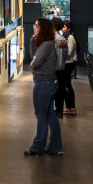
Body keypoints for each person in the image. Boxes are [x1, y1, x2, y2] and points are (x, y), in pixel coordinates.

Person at [25, 18, 63, 156]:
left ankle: (37, 148)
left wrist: (33, 61)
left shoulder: (46, 45)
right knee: (49, 114)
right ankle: (56, 147)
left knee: (41, 115)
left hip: (43, 83)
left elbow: (33, 64)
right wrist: (32, 41)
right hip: (49, 82)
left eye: (36, 25)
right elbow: (34, 57)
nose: (34, 27)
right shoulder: (47, 44)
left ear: (42, 28)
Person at [61, 21, 78, 113]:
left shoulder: (70, 37)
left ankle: (70, 107)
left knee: (67, 85)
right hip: (66, 63)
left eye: (64, 27)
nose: (62, 28)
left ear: (69, 28)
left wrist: (60, 52)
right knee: (67, 84)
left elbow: (69, 52)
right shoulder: (65, 36)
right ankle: (70, 107)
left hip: (69, 63)